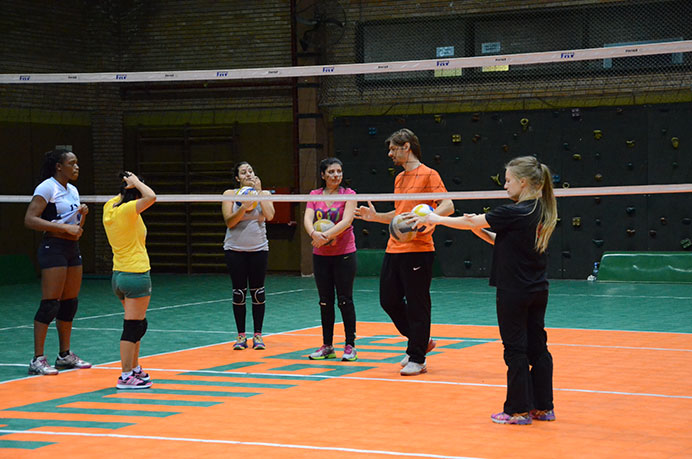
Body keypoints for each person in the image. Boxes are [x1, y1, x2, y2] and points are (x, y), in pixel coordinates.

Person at [407, 155, 558, 425]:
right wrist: (478, 230)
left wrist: (434, 218)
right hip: (537, 290)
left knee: (515, 350)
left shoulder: (512, 211)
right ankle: (544, 407)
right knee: (538, 347)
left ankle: (518, 410)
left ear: (523, 182)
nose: (505, 185)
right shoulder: (539, 210)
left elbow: (470, 221)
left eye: (509, 180)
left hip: (514, 290)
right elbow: (505, 240)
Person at [354, 128, 453, 376]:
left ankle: (417, 357)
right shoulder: (399, 179)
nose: (390, 153)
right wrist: (375, 217)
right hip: (394, 248)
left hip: (419, 249)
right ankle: (419, 340)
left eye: (393, 148)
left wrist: (431, 217)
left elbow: (448, 205)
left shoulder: (429, 174)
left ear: (406, 146)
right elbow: (399, 215)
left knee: (418, 303)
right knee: (388, 300)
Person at [24, 148, 92, 375]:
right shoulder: (47, 187)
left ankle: (64, 355)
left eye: (77, 163)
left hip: (72, 248)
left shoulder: (72, 190)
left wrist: (82, 215)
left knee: (69, 302)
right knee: (50, 303)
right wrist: (63, 227)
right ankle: (37, 359)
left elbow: (76, 228)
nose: (76, 167)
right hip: (53, 248)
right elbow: (30, 219)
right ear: (59, 167)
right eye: (72, 163)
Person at [103, 172, 157, 389]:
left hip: (119, 276)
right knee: (132, 326)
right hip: (135, 275)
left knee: (138, 324)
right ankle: (125, 375)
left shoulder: (110, 207)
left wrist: (130, 184)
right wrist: (136, 183)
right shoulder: (127, 210)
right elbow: (151, 197)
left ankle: (134, 368)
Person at [304, 158, 358, 361]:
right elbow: (308, 218)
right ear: (323, 175)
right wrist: (313, 235)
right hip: (321, 256)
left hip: (344, 254)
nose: (336, 175)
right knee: (325, 301)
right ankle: (327, 346)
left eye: (339, 171)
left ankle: (350, 346)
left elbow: (347, 221)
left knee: (345, 300)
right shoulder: (314, 195)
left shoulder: (349, 194)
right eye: (332, 172)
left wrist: (325, 237)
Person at [222, 162, 275, 350]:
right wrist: (243, 207)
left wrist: (259, 193)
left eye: (251, 171)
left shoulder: (264, 194)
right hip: (234, 250)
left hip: (258, 249)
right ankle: (241, 336)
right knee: (239, 293)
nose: (248, 174)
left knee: (258, 292)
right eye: (243, 172)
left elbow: (269, 215)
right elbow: (229, 222)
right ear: (237, 178)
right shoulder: (230, 194)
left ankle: (258, 336)